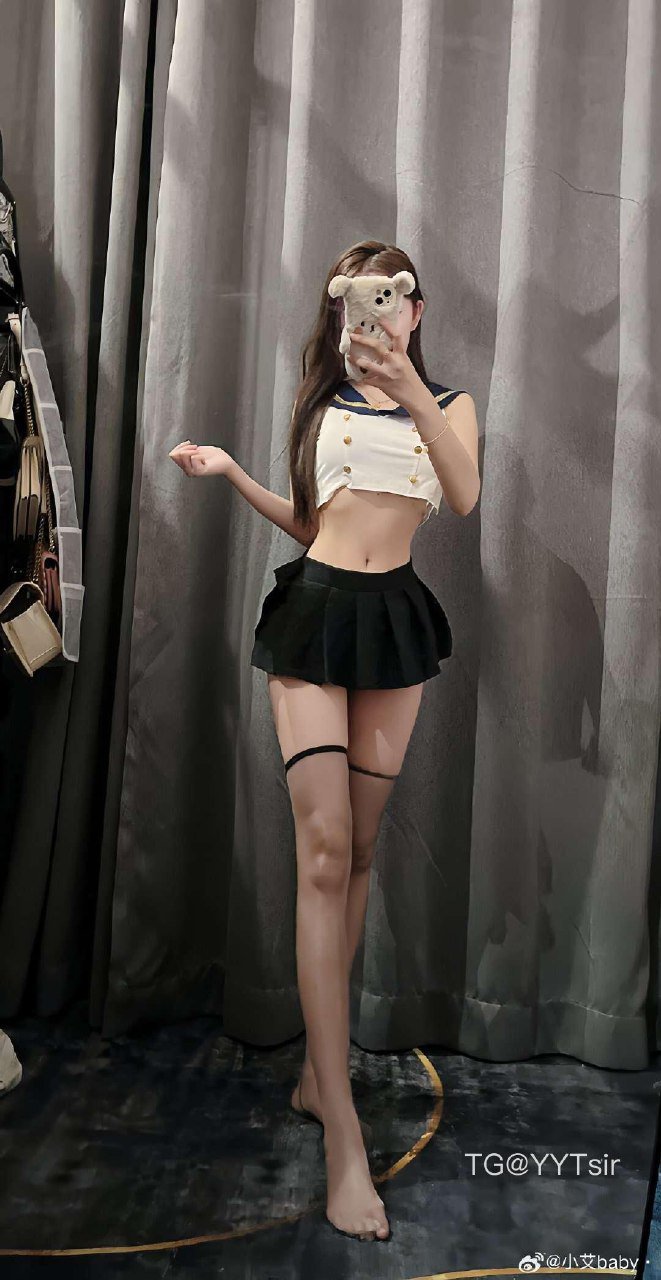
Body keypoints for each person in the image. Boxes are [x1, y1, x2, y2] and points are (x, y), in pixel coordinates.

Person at [169, 239, 480, 1242]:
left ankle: (314, 1071)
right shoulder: (321, 405)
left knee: (361, 853)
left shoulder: (452, 406)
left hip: (393, 619)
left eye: (392, 299)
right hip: (314, 615)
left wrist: (409, 388)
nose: (374, 313)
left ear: (414, 309)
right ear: (341, 306)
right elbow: (312, 527)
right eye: (357, 299)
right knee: (323, 852)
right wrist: (232, 473)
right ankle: (342, 1129)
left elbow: (464, 495)